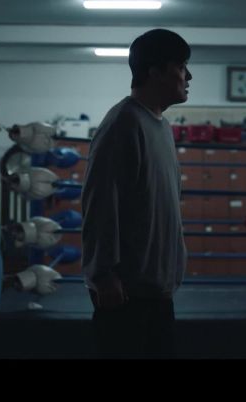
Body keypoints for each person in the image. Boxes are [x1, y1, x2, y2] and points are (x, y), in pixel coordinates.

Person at [81, 29, 192, 358]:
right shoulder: (123, 123)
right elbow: (100, 202)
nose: (188, 76)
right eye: (181, 66)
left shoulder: (161, 126)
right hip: (127, 292)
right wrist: (103, 275)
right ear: (154, 72)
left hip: (157, 289)